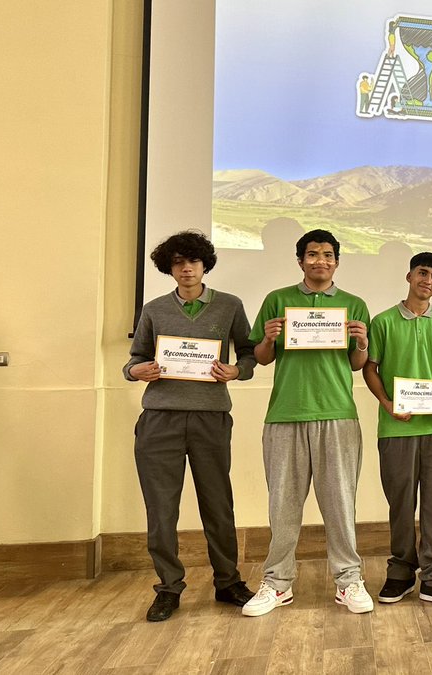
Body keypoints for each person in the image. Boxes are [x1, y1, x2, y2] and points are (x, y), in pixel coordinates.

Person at [123, 231, 256, 622]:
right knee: (161, 508)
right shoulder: (154, 309)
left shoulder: (230, 306)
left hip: (211, 417)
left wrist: (237, 370)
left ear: (205, 265)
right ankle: (168, 587)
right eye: (178, 263)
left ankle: (228, 581)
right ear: (169, 268)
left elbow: (248, 354)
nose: (186, 269)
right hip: (159, 419)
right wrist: (137, 371)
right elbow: (133, 361)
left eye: (193, 262)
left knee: (218, 503)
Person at [242, 229, 374, 617]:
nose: (320, 260)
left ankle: (349, 581)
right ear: (300, 260)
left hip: (337, 414)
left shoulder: (354, 304)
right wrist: (267, 339)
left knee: (340, 504)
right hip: (286, 414)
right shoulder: (277, 300)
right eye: (312, 254)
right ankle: (277, 583)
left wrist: (362, 343)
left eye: (328, 255)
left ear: (337, 261)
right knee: (282, 504)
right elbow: (263, 358)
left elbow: (355, 364)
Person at [362, 252, 432, 608]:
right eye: (423, 273)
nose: (428, 280)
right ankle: (401, 571)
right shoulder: (383, 322)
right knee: (401, 503)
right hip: (396, 428)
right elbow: (370, 368)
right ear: (409, 276)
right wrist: (388, 404)